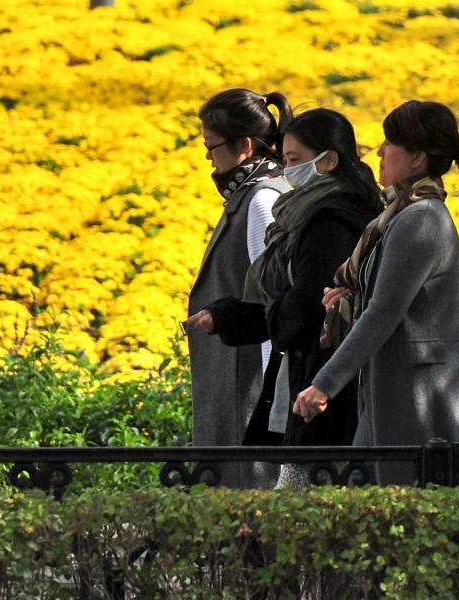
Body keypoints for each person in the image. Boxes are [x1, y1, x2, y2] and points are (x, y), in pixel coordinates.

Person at [294, 100, 459, 488]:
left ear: (417, 158)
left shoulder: (419, 219)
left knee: (413, 508)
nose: (379, 152)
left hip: (419, 396)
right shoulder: (401, 214)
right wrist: (349, 296)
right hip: (396, 387)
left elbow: (384, 311)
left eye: (389, 143)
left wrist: (324, 384)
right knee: (379, 504)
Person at [188, 108, 382, 488]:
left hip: (321, 387)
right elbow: (287, 299)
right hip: (306, 380)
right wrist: (227, 317)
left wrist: (249, 319)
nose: (286, 170)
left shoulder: (329, 220)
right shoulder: (305, 213)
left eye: (293, 160)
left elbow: (306, 306)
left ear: (327, 161)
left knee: (303, 500)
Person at [187, 88, 293, 488]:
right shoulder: (255, 192)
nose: (209, 160)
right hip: (237, 381)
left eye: (211, 148)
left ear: (244, 146)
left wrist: (274, 401)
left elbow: (269, 305)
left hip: (245, 388)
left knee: (245, 499)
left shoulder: (261, 200)